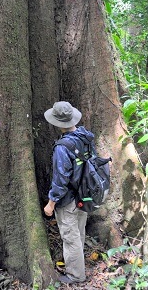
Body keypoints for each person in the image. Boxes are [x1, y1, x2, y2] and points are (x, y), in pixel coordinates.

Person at [43, 101, 94, 284]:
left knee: (70, 239)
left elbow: (60, 180)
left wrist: (51, 203)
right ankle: (76, 267)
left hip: (68, 201)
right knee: (78, 234)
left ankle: (75, 275)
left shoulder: (62, 147)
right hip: (85, 195)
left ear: (57, 123)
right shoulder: (85, 137)